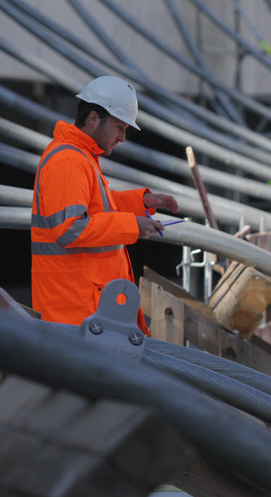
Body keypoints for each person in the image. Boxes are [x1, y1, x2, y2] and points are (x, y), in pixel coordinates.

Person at [30, 76, 178, 334]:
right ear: (94, 119)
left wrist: (140, 203)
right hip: (74, 315)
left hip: (85, 311)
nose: (122, 138)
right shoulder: (68, 160)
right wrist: (132, 225)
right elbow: (71, 228)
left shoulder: (80, 157)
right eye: (119, 127)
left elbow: (96, 209)